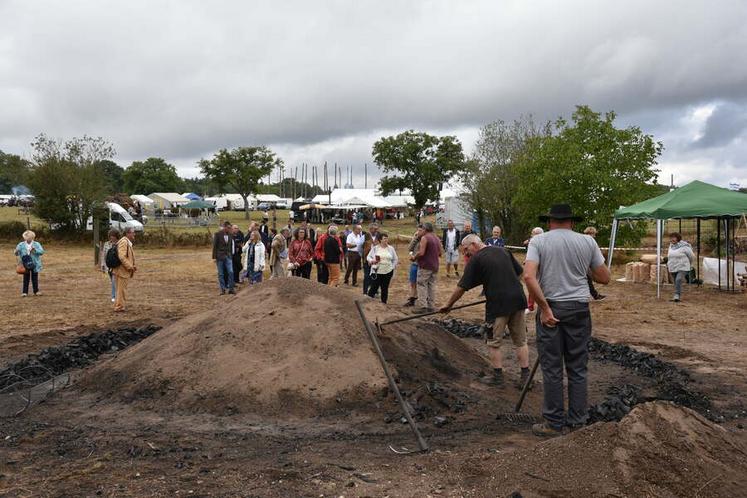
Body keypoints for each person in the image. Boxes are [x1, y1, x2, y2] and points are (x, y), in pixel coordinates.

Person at [523, 204, 610, 437]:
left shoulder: (538, 242)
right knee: (578, 367)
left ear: (550, 222)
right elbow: (605, 277)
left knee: (552, 369)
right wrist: (582, 268)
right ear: (572, 222)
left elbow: (528, 276)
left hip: (551, 306)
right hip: (579, 308)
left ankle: (553, 423)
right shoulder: (587, 242)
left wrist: (544, 308)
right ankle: (578, 421)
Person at [440, 234, 530, 387]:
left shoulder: (477, 259)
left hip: (498, 305)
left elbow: (462, 287)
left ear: (474, 244)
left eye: (466, 249)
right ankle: (526, 378)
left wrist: (449, 305)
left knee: (493, 342)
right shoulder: (503, 251)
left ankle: (498, 378)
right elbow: (520, 273)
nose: (465, 253)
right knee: (520, 341)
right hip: (518, 299)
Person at [413, 222, 441, 311]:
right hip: (435, 265)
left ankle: (422, 306)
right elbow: (440, 253)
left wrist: (414, 257)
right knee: (431, 285)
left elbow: (421, 253)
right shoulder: (436, 238)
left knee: (422, 285)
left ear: (425, 229)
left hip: (425, 265)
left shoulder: (425, 238)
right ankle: (431, 306)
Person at [366, 231, 399, 303]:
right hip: (377, 271)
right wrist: (372, 261)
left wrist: (392, 267)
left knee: (385, 288)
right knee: (374, 287)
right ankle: (367, 302)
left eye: (387, 238)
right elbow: (368, 257)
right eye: (384, 238)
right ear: (380, 240)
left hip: (388, 271)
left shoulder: (391, 248)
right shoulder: (375, 248)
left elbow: (395, 259)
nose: (386, 240)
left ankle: (384, 303)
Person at [112, 227, 137, 311]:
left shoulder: (125, 242)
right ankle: (119, 307)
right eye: (133, 232)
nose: (134, 234)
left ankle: (118, 305)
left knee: (119, 290)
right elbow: (121, 256)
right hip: (122, 271)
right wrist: (130, 266)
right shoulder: (124, 242)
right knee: (121, 290)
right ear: (127, 233)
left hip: (121, 270)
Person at [15, 230, 45, 297]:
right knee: (26, 278)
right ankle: (24, 292)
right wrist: (16, 251)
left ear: (32, 237)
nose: (26, 239)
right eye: (25, 237)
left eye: (28, 237)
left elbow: (42, 252)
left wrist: (35, 250)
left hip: (35, 263)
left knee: (35, 278)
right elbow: (16, 253)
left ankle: (36, 291)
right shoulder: (21, 244)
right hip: (25, 264)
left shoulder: (37, 244)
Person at [667, 232, 694, 303]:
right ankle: (677, 294)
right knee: (675, 282)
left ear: (678, 238)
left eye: (674, 237)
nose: (672, 239)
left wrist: (689, 264)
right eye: (671, 237)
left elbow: (691, 256)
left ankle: (677, 295)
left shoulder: (685, 246)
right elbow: (669, 256)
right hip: (673, 266)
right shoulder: (671, 246)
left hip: (683, 267)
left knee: (678, 279)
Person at [523, 227, 545, 312]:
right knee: (532, 286)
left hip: (543, 269)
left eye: (533, 234)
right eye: (532, 234)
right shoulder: (531, 242)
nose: (532, 235)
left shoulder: (545, 243)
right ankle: (530, 306)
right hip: (534, 268)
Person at [212, 221, 236, 295]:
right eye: (228, 228)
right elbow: (215, 246)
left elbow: (230, 246)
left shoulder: (231, 235)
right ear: (224, 227)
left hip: (228, 256)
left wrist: (231, 255)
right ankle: (222, 289)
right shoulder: (218, 234)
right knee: (221, 274)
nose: (229, 229)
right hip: (220, 257)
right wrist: (215, 257)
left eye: (230, 228)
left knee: (231, 272)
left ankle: (231, 289)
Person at [583, 227, 606, 301]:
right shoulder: (590, 241)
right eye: (594, 234)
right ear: (590, 233)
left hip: (584, 264)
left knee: (587, 280)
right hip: (585, 264)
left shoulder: (582, 240)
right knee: (588, 280)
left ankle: (595, 295)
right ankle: (595, 295)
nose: (594, 236)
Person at [100, 229, 120, 302]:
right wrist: (102, 265)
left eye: (113, 236)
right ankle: (116, 295)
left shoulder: (119, 244)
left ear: (116, 236)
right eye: (110, 236)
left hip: (116, 266)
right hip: (108, 267)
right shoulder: (106, 244)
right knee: (113, 281)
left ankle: (114, 296)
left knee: (114, 281)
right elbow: (103, 255)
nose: (111, 237)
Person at [361, 223, 380, 294]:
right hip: (367, 260)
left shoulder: (379, 236)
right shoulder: (364, 237)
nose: (376, 231)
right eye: (375, 229)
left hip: (377, 260)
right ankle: (365, 292)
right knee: (366, 276)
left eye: (377, 229)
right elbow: (360, 247)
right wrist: (364, 256)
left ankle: (374, 291)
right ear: (370, 229)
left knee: (375, 276)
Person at [404, 228, 421, 306]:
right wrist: (414, 238)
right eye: (417, 230)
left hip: (422, 265)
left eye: (420, 230)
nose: (418, 232)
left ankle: (421, 298)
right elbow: (410, 248)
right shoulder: (416, 240)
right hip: (414, 264)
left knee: (421, 283)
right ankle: (413, 297)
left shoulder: (425, 240)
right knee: (413, 282)